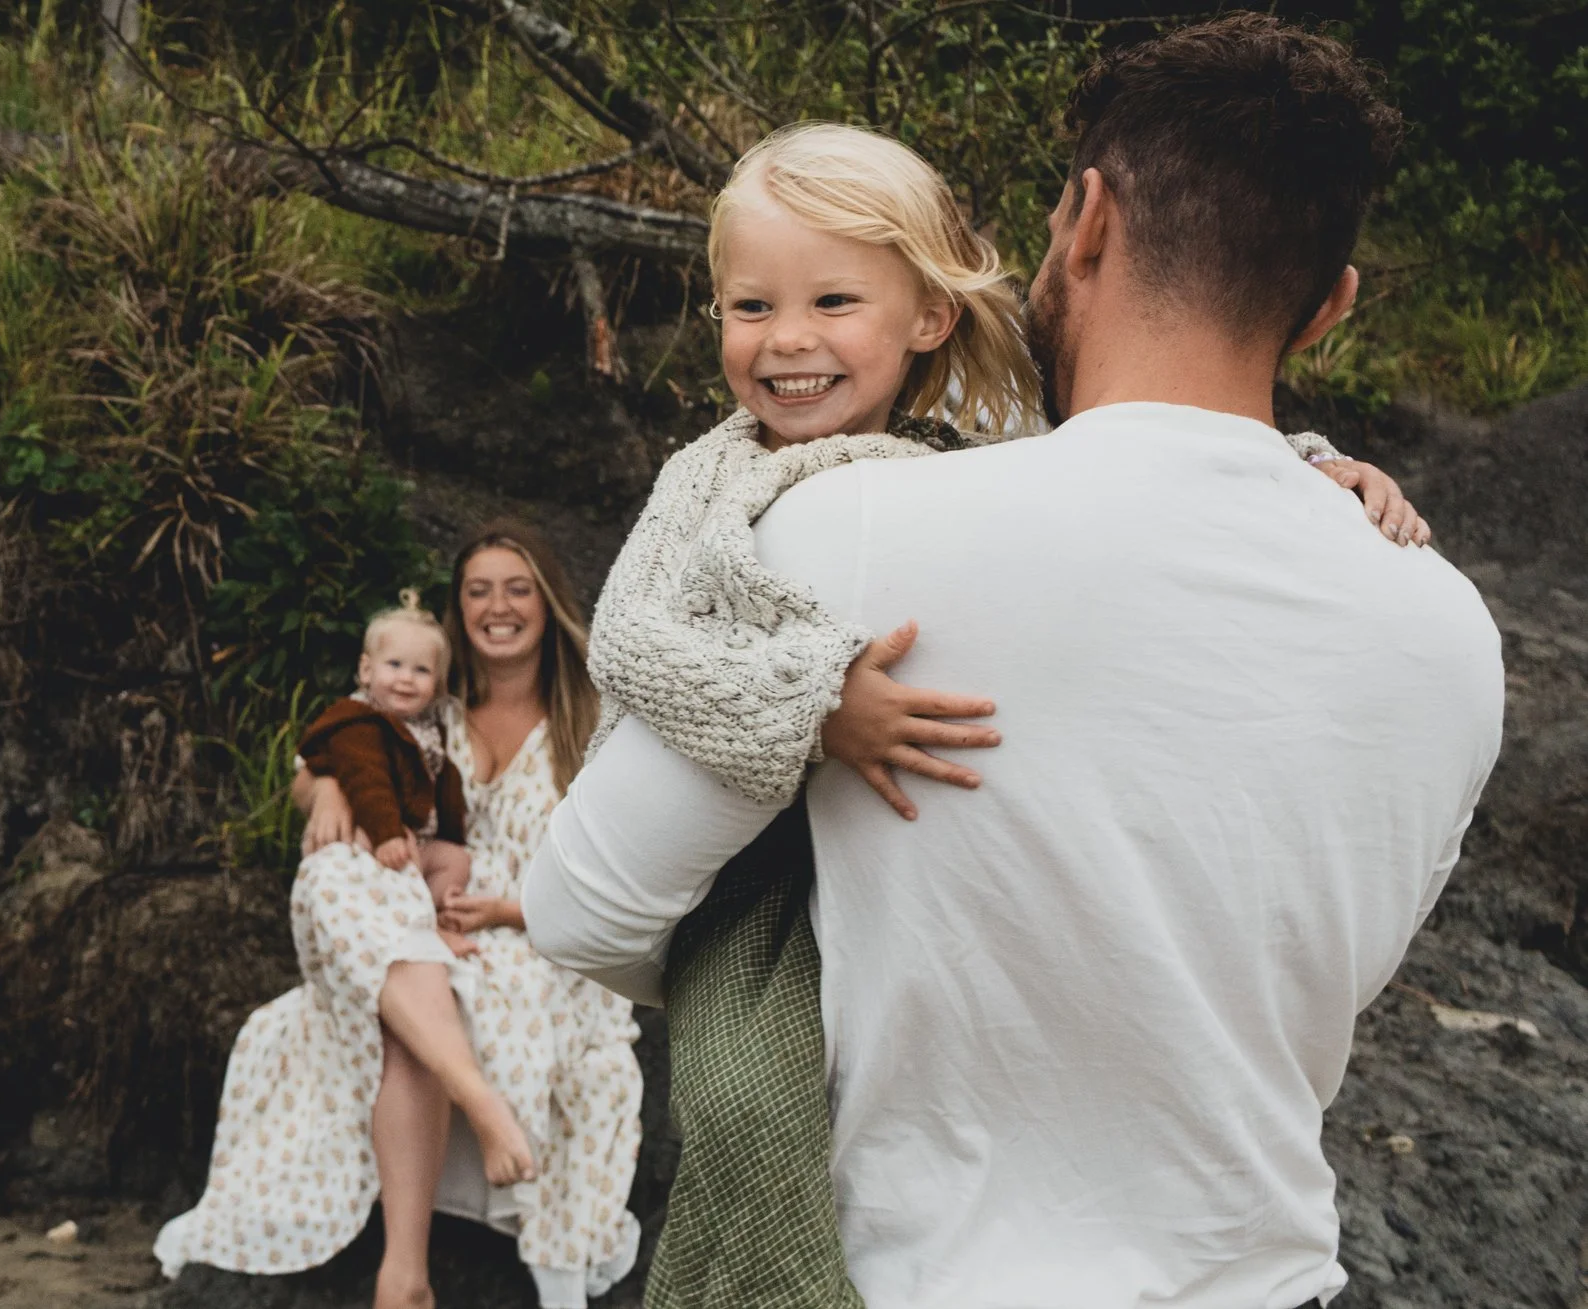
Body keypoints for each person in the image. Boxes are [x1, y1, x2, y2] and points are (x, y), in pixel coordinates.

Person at [524, 15, 1503, 1309]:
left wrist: (815, 943)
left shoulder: (851, 525)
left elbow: (579, 909)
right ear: (1331, 305)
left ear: (1086, 225)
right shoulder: (1447, 630)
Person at [156, 522, 643, 1309]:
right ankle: (438, 1193)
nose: (498, 607)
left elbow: (639, 865)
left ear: (548, 602)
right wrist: (335, 788)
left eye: (517, 588)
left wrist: (516, 907)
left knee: (412, 999)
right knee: (329, 873)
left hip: (536, 934)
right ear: (457, 608)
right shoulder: (423, 703)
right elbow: (310, 769)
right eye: (478, 590)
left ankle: (407, 1271)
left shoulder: (598, 717)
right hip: (412, 923)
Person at [297, 592, 475, 952]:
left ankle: (436, 915)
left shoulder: (427, 727)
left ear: (437, 684)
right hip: (369, 829)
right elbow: (368, 780)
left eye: (421, 670)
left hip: (410, 837)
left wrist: (452, 830)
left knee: (456, 860)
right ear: (366, 670)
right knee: (393, 855)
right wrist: (386, 834)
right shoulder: (360, 722)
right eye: (394, 665)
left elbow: (441, 782)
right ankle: (414, 929)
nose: (406, 679)